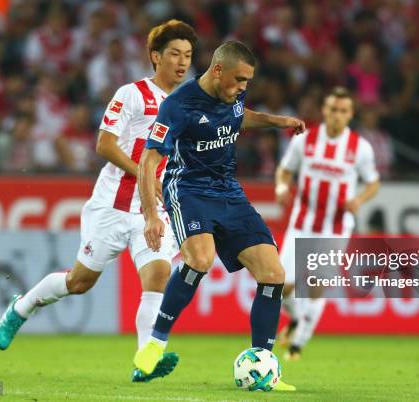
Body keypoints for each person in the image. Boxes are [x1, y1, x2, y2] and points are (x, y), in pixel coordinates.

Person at [0, 20, 198, 383]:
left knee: (158, 276)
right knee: (79, 281)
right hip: (111, 206)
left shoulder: (189, 104)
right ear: (156, 57)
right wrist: (143, 172)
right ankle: (20, 307)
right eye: (174, 54)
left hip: (153, 210)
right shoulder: (131, 94)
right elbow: (104, 144)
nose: (182, 63)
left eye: (188, 56)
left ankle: (144, 360)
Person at [134, 40, 304, 391]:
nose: (244, 88)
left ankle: (264, 367)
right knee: (200, 258)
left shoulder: (233, 96)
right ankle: (155, 343)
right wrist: (151, 215)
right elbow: (149, 161)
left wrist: (277, 122)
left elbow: (240, 118)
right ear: (217, 71)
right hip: (189, 191)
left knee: (273, 273)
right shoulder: (178, 105)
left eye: (248, 82)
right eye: (240, 80)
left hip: (229, 191)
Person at [275, 87, 380, 360]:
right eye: (333, 109)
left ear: (350, 114)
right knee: (281, 284)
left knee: (314, 285)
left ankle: (298, 344)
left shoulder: (360, 148)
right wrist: (280, 186)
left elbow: (373, 183)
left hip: (335, 227)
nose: (337, 115)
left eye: (343, 111)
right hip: (301, 223)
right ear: (324, 110)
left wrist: (359, 199)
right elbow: (285, 170)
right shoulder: (305, 141)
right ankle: (296, 319)